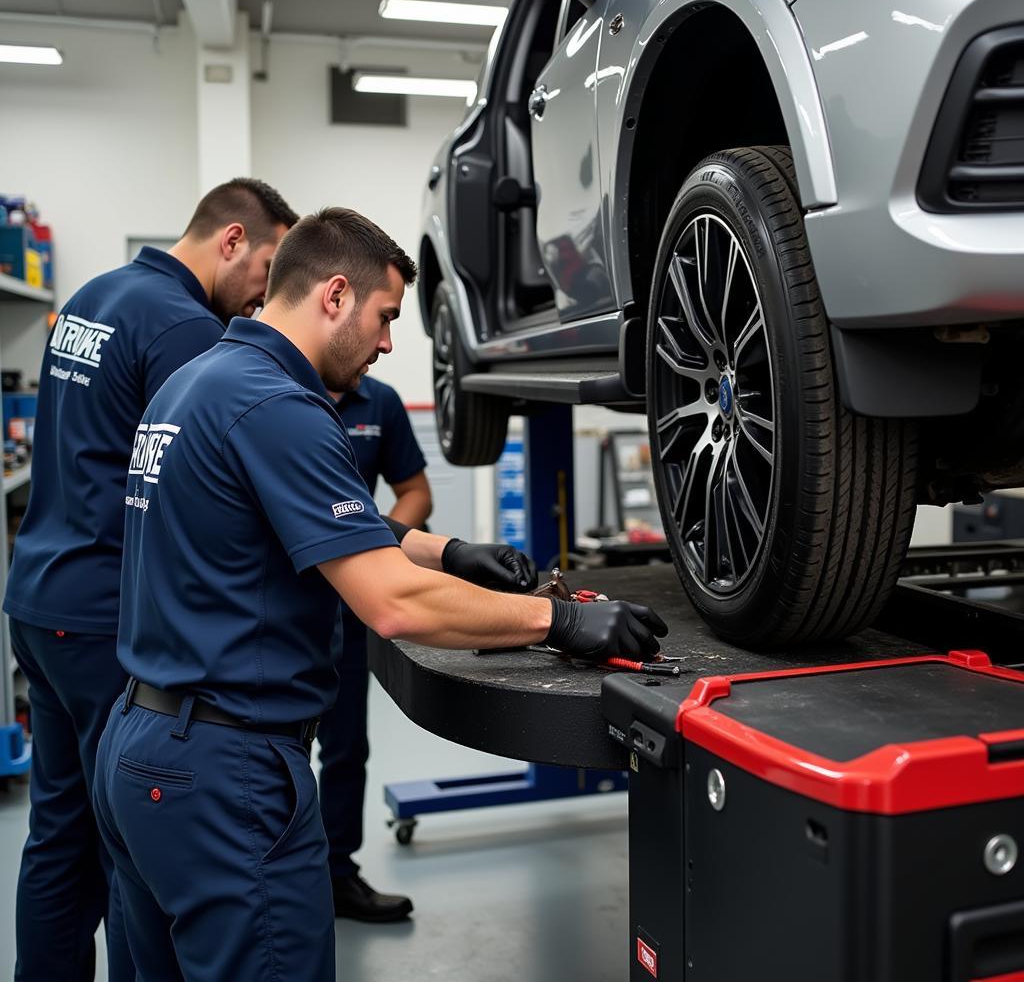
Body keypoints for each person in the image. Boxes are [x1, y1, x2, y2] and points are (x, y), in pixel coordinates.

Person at [92, 207, 666, 981]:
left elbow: (312, 524)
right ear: (334, 295)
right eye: (386, 317)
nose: (390, 343)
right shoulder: (279, 407)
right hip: (225, 776)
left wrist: (450, 550)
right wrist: (559, 621)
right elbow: (395, 604)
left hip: (140, 750)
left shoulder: (195, 383)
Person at [3, 178, 298, 982]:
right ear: (232, 239)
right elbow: (207, 472)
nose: (268, 292)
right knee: (128, 843)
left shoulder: (97, 293)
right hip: (105, 617)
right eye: (269, 266)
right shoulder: (183, 327)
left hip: (38, 598)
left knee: (59, 829)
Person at [324, 376, 432, 922]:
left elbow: (415, 491)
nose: (385, 343)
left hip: (350, 606)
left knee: (345, 747)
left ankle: (337, 873)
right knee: (270, 750)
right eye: (382, 320)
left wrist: (376, 542)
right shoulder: (274, 387)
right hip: (277, 602)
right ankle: (281, 879)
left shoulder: (381, 401)